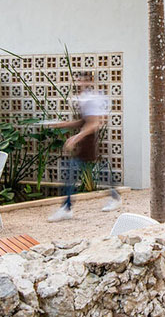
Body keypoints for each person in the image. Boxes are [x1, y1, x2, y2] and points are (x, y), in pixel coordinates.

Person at [47, 72, 121, 222]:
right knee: (87, 171)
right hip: (84, 140)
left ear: (89, 82)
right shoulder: (84, 98)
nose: (79, 83)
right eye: (77, 80)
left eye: (82, 81)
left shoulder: (91, 100)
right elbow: (83, 121)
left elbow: (93, 124)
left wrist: (76, 137)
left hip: (87, 141)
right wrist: (62, 124)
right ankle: (115, 196)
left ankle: (66, 208)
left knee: (71, 173)